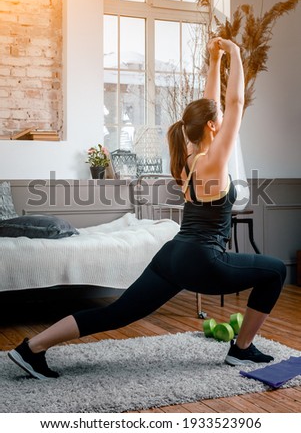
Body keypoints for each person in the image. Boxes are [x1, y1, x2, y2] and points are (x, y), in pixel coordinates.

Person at [8, 38, 286, 380]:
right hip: (204, 259)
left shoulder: (188, 158)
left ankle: (31, 348)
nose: (224, 117)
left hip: (172, 255)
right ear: (214, 126)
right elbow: (235, 100)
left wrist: (215, 59)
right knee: (275, 272)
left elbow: (212, 104)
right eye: (219, 118)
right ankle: (241, 350)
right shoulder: (214, 161)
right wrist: (236, 54)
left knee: (118, 313)